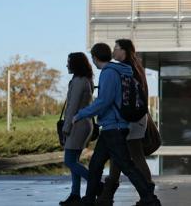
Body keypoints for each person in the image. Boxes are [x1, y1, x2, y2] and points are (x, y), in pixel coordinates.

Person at [74, 43, 160, 206]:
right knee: (96, 164)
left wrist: (81, 114)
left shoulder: (109, 73)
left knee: (126, 166)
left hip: (115, 127)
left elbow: (104, 101)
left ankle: (149, 198)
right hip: (111, 127)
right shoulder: (120, 71)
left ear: (94, 57)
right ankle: (90, 198)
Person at [97, 39, 153, 205]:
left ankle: (147, 193)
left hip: (131, 118)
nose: (113, 52)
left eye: (116, 48)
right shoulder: (134, 68)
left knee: (133, 155)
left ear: (125, 51)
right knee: (118, 156)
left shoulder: (126, 70)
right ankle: (107, 196)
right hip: (134, 117)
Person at [59, 52, 94, 206]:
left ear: (76, 64)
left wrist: (66, 128)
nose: (67, 65)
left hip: (77, 124)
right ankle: (75, 194)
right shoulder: (83, 80)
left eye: (69, 62)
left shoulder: (79, 81)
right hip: (82, 124)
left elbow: (72, 107)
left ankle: (97, 185)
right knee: (74, 161)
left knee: (69, 161)